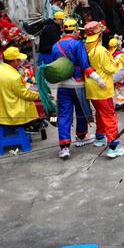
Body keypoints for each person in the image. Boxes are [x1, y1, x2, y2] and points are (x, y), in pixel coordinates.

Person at [51, 19, 100, 159]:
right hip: (78, 84)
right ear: (75, 30)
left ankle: (64, 146)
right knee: (81, 111)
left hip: (62, 86)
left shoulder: (56, 46)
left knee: (64, 114)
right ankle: (81, 136)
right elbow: (85, 65)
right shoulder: (78, 44)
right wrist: (98, 79)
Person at [83, 22, 124, 158]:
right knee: (109, 116)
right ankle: (113, 146)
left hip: (91, 86)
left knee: (100, 113)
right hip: (102, 87)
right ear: (99, 35)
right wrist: (121, 60)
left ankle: (100, 137)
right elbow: (110, 69)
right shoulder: (100, 50)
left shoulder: (86, 47)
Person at [0, 47, 40, 127]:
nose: (21, 61)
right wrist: (39, 95)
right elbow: (25, 94)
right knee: (32, 103)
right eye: (19, 60)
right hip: (10, 113)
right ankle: (33, 126)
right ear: (14, 61)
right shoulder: (14, 76)